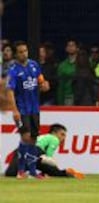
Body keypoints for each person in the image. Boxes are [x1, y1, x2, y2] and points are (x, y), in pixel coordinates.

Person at [6, 41, 50, 179]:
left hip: (34, 108)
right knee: (25, 137)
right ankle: (20, 170)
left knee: (34, 138)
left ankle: (32, 171)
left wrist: (44, 86)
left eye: (25, 51)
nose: (23, 53)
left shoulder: (34, 65)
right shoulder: (13, 70)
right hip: (21, 109)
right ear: (16, 54)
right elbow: (10, 91)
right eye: (20, 51)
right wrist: (14, 110)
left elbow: (41, 81)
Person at [5, 124, 85, 179]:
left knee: (10, 174)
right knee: (52, 169)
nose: (63, 138)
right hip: (35, 152)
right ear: (54, 133)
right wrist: (51, 169)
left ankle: (65, 172)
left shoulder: (43, 137)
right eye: (62, 134)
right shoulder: (54, 139)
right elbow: (48, 156)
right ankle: (67, 172)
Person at [57, 39, 79, 105]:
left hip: (81, 97)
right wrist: (60, 101)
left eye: (73, 45)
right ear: (66, 48)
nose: (71, 47)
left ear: (77, 48)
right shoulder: (62, 66)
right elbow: (60, 85)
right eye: (69, 45)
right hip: (68, 96)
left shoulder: (82, 63)